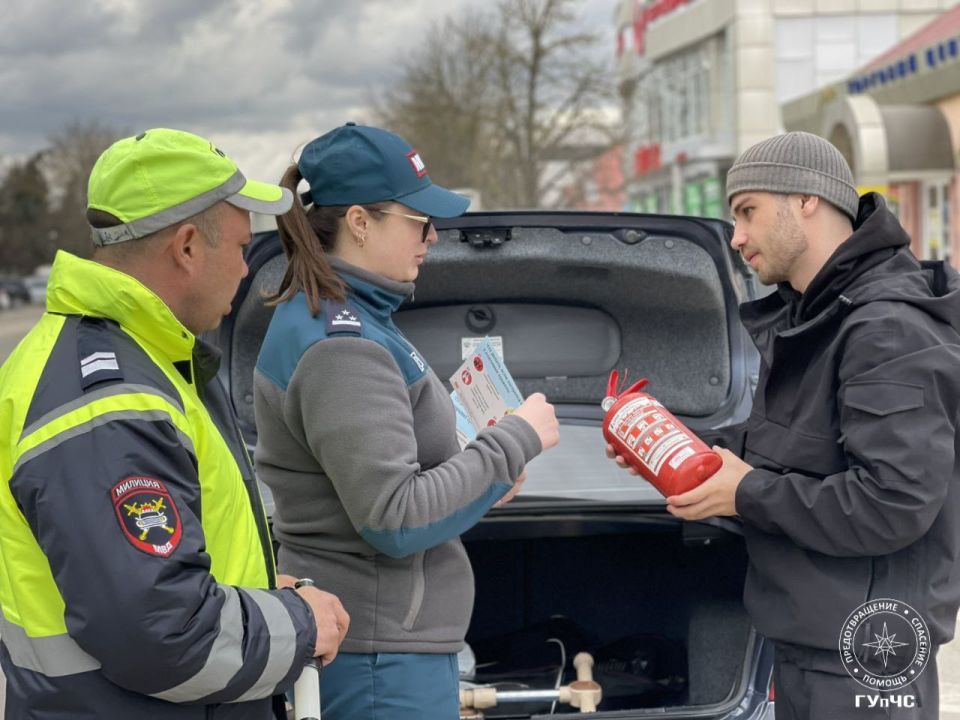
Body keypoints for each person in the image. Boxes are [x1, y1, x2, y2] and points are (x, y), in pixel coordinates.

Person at [0, 128, 350, 720]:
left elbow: (172, 566)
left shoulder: (138, 360)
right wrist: (300, 622)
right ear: (187, 247)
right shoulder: (110, 405)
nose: (246, 270)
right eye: (241, 247)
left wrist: (259, 595)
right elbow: (165, 632)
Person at [610, 131, 960, 718]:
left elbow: (892, 504)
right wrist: (686, 453)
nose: (737, 236)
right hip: (815, 644)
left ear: (808, 201)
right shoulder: (818, 316)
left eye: (747, 211)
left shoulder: (886, 329)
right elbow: (793, 456)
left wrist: (743, 492)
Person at [254, 122, 560, 719]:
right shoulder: (342, 344)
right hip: (377, 661)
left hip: (380, 648)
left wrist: (483, 477)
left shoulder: (350, 318)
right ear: (361, 222)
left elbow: (393, 487)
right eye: (419, 222)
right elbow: (394, 517)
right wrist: (514, 441)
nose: (433, 236)